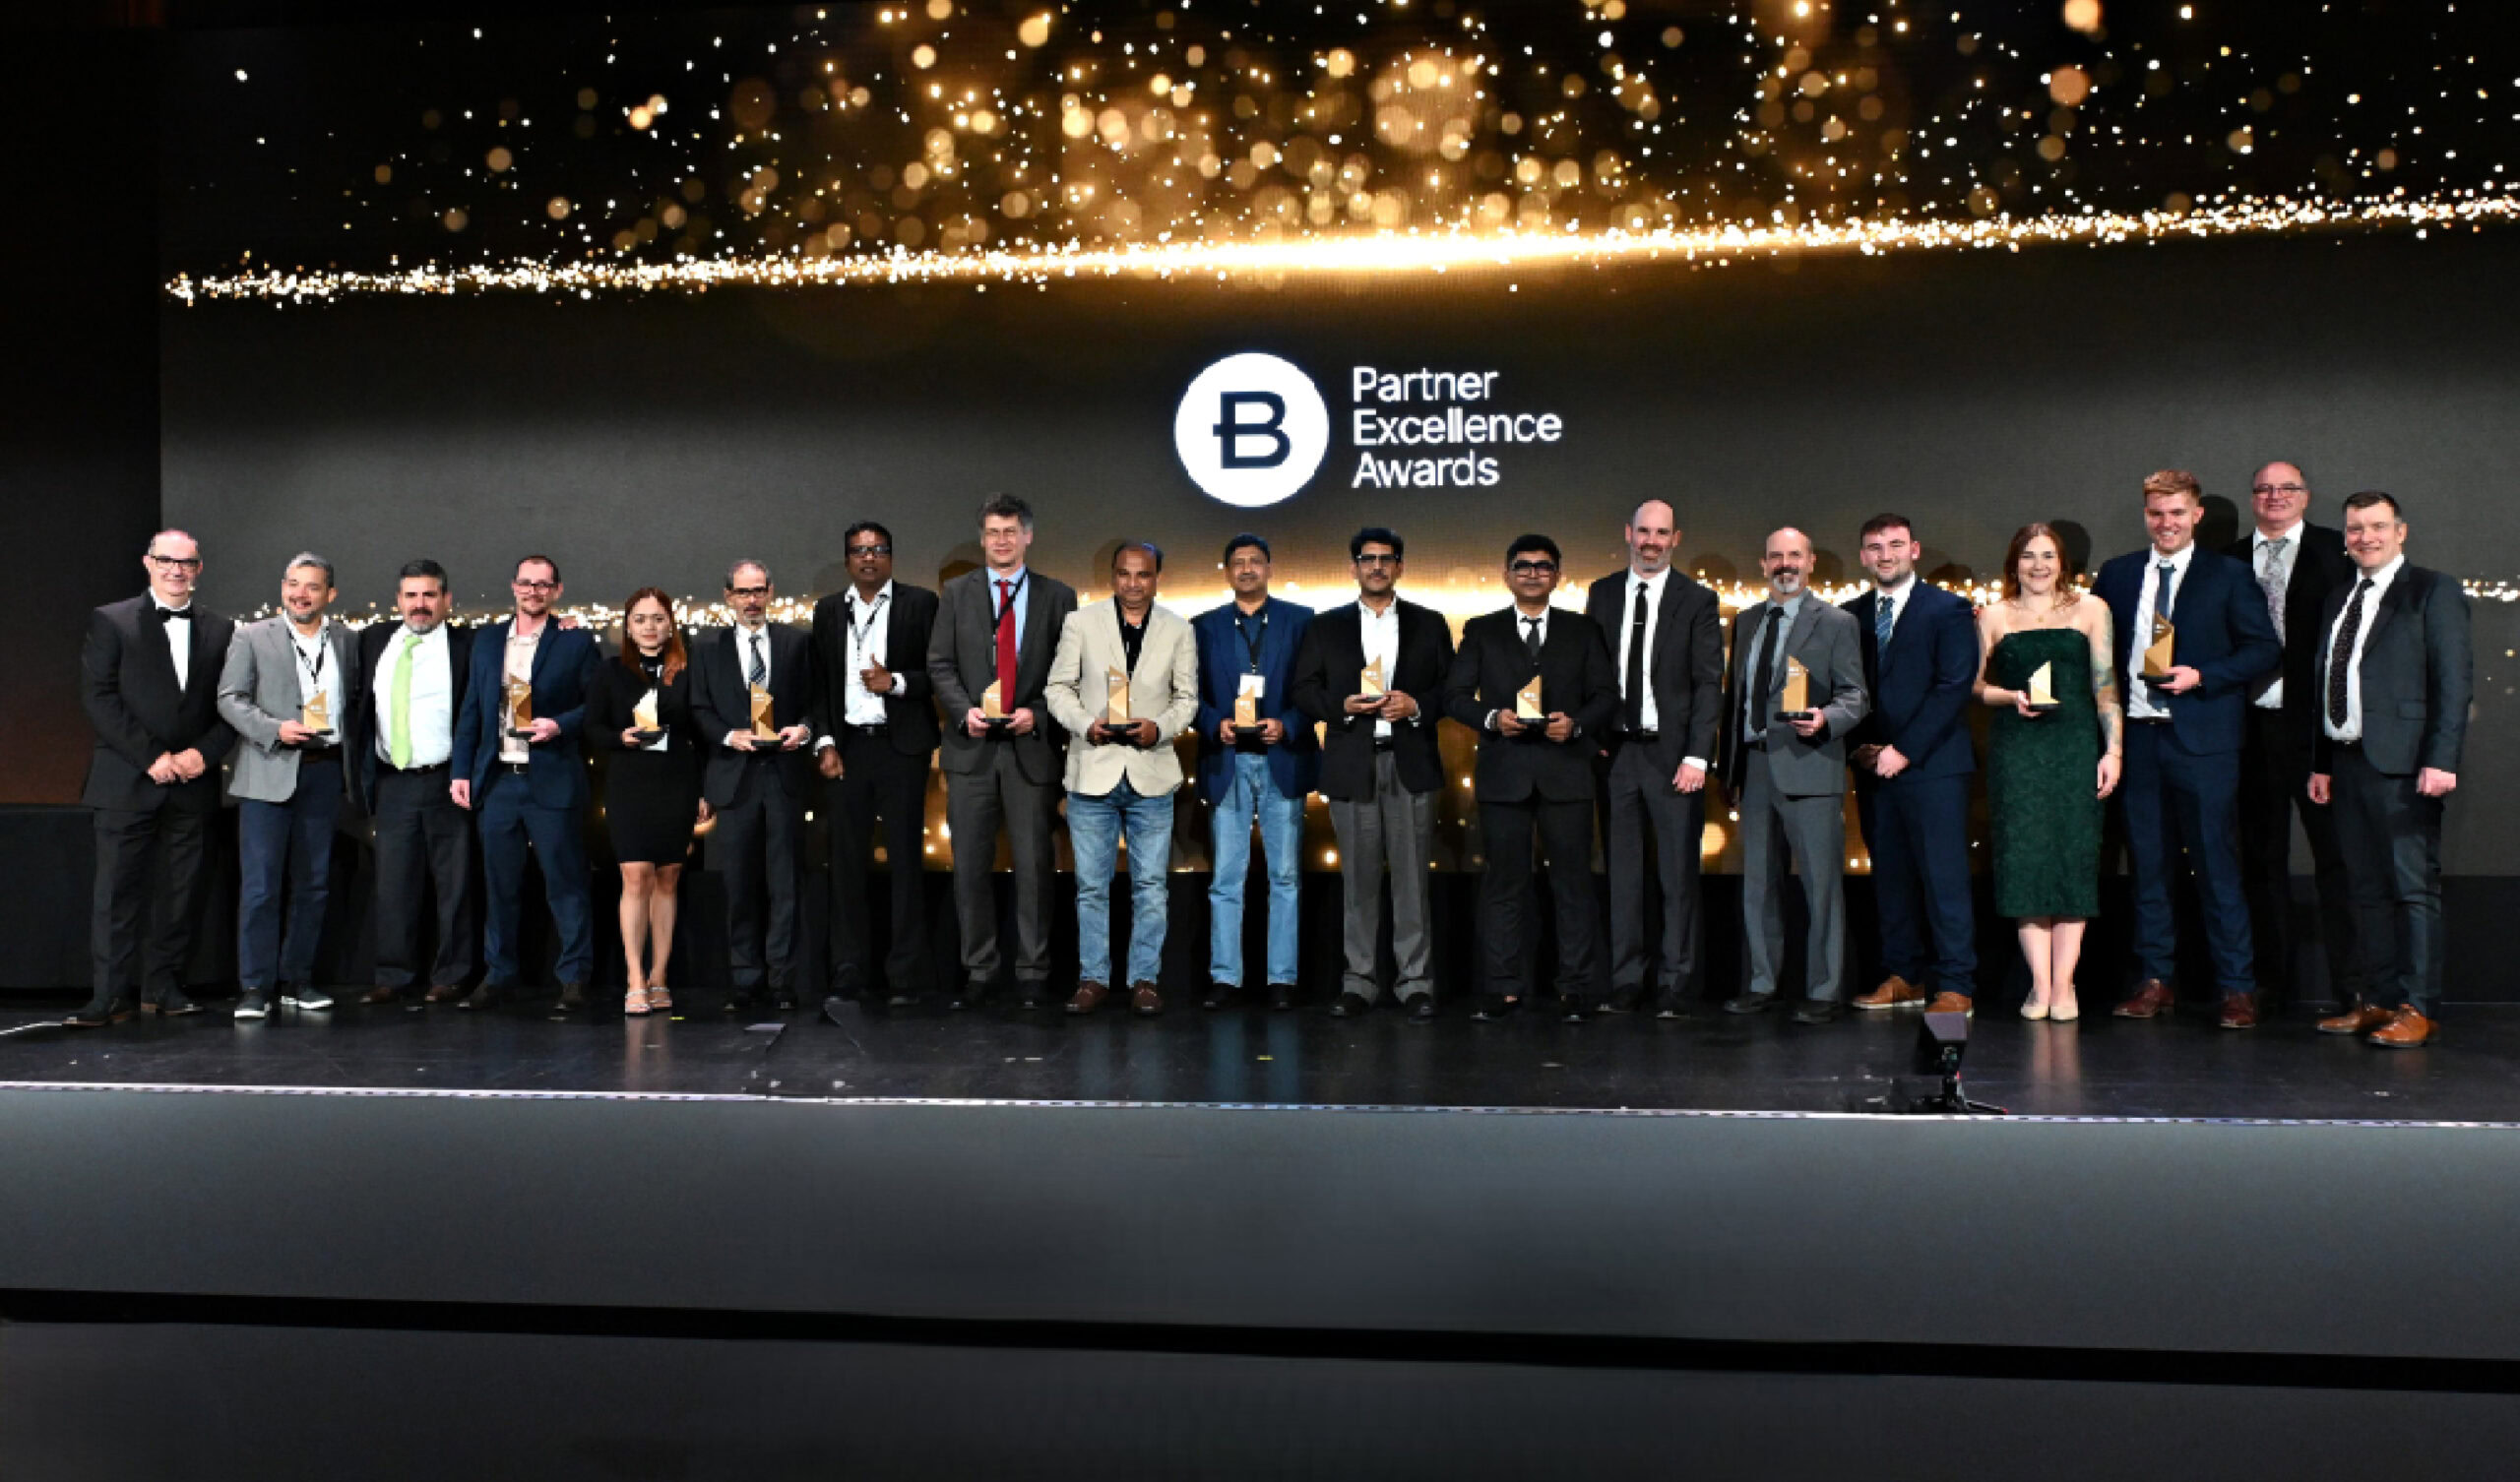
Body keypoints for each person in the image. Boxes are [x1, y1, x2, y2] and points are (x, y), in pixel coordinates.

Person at [2092, 470, 2281, 1027]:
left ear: (2196, 515)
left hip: (2204, 742)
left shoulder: (2228, 575)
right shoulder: (2119, 574)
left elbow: (2263, 649)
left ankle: (2237, 988)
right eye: (2156, 513)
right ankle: (2155, 980)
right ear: (2145, 515)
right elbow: (2092, 647)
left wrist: (2203, 675)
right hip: (2138, 741)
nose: (2166, 523)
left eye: (2176, 513)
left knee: (2216, 866)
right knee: (2148, 867)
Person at [2309, 492, 2471, 1049]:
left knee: (2412, 890)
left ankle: (2418, 1007)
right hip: (2348, 760)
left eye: (2377, 526)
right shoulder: (2339, 596)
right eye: (2355, 529)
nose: (2366, 537)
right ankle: (2377, 1001)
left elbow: (2453, 681)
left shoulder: (2432, 590)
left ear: (2401, 532)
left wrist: (2441, 758)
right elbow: (2328, 680)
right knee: (2366, 890)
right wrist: (2322, 762)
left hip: (2406, 766)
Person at [1444, 534, 1619, 1022]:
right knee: (1504, 884)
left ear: (1557, 575)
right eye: (1523, 566)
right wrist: (1491, 719)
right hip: (1505, 774)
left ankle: (1576, 988)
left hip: (1567, 773)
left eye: (1543, 566)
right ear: (1507, 575)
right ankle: (1502, 987)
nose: (1533, 573)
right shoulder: (1482, 630)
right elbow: (1455, 696)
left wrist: (1577, 725)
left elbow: (1606, 696)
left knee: (1573, 885)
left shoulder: (1583, 630)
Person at [71, 529, 236, 1028]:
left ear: (199, 568)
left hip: (192, 783)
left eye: (185, 562)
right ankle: (110, 996)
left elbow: (232, 705)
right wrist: (152, 757)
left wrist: (202, 755)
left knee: (181, 894)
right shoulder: (112, 620)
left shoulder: (223, 630)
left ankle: (163, 987)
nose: (175, 570)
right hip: (126, 782)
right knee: (116, 894)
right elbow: (99, 697)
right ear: (148, 563)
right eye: (166, 560)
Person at [1289, 527, 1455, 1021]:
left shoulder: (1429, 623)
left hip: (1410, 762)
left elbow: (1452, 689)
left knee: (1411, 881)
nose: (1377, 566)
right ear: (1354, 567)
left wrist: (1417, 705)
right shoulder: (1326, 627)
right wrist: (1339, 707)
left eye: (1386, 559)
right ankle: (1358, 981)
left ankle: (1415, 983)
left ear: (1400, 566)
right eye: (1368, 559)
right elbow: (1303, 690)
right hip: (1351, 763)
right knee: (1358, 882)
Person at [925, 494, 1078, 1010]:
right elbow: (939, 664)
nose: (1002, 540)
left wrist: (1039, 712)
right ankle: (980, 970)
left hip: (1030, 749)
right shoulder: (955, 594)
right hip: (969, 748)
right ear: (983, 538)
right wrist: (962, 710)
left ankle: (1033, 972)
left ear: (1027, 536)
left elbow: (1069, 673)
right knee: (970, 867)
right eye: (993, 532)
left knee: (1035, 868)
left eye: (1011, 531)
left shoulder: (1058, 596)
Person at [1715, 526, 1868, 1024]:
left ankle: (1824, 990)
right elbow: (1737, 700)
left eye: (1795, 556)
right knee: (1758, 884)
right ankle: (1763, 983)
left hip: (1811, 764)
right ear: (1764, 564)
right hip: (1755, 765)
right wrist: (1730, 769)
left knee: (1821, 886)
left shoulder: (1837, 622)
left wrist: (1826, 718)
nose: (1786, 564)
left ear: (1810, 562)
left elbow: (1855, 696)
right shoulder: (1747, 621)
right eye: (1776, 556)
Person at [2227, 461, 2361, 1013]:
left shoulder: (2339, 552)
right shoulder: (2228, 560)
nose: (2275, 496)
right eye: (2264, 488)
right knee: (2259, 862)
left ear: (2305, 496)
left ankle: (2353, 989)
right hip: (2249, 727)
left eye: (2287, 488)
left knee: (2338, 859)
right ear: (2252, 498)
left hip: (2319, 731)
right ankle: (2269, 984)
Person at [1044, 542, 1199, 1015]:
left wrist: (1160, 729)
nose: (1133, 583)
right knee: (1092, 887)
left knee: (1151, 887)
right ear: (1113, 576)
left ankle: (1144, 980)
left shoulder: (1178, 628)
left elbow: (1187, 699)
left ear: (1157, 578)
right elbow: (1057, 688)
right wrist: (1085, 724)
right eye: (1124, 574)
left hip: (1151, 772)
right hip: (1093, 769)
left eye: (1143, 574)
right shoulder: (1081, 622)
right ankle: (1093, 978)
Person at [1584, 499, 1724, 1018]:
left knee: (1677, 875)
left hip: (1673, 756)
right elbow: (1590, 672)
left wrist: (1697, 756)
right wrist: (1591, 738)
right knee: (1622, 875)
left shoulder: (1698, 599)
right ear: (1628, 533)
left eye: (1661, 533)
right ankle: (1626, 980)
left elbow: (1708, 684)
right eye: (1644, 531)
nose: (1651, 541)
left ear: (1675, 539)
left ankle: (1675, 984)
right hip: (1616, 753)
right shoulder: (1601, 593)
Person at [1974, 524, 2120, 1022]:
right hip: (2018, 751)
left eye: (2048, 556)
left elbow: (2105, 686)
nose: (2038, 566)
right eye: (2028, 556)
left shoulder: (2092, 609)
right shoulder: (1993, 615)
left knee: (2071, 861)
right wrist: (2010, 697)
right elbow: (1973, 685)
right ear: (2014, 563)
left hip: (2075, 746)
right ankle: (2039, 984)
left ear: (2063, 563)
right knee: (2026, 863)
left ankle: (2065, 984)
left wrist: (2113, 751)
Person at [1842, 516, 1981, 1018]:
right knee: (1891, 877)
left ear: (1914, 549)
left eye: (1895, 544)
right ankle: (1905, 976)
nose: (1886, 555)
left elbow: (1953, 686)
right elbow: (1844, 688)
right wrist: (1860, 748)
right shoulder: (1850, 615)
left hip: (1934, 767)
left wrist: (1903, 750)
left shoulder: (1948, 609)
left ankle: (1956, 984)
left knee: (1944, 879)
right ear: (1863, 555)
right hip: (1873, 768)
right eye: (1875, 547)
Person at [453, 554, 600, 1015]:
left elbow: (595, 705)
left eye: (543, 584)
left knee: (566, 883)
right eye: (526, 583)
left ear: (557, 591)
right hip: (498, 781)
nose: (533, 591)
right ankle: (499, 975)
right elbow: (472, 709)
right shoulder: (487, 641)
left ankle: (574, 977)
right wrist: (461, 771)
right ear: (513, 587)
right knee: (499, 886)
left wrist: (559, 725)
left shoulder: (576, 641)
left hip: (551, 777)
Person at [215, 552, 358, 1020]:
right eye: (294, 584)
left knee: (313, 884)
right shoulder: (251, 637)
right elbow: (229, 699)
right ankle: (255, 986)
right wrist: (274, 729)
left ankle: (298, 979)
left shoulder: (347, 641)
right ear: (283, 588)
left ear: (330, 594)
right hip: (267, 770)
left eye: (312, 586)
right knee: (261, 887)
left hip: (324, 773)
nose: (301, 594)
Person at [811, 523, 942, 1018]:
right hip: (848, 749)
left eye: (878, 550)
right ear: (847, 560)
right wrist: (825, 742)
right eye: (859, 551)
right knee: (846, 864)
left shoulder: (920, 604)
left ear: (891, 557)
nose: (868, 558)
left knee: (906, 862)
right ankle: (848, 971)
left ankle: (905, 974)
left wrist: (897, 683)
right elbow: (819, 683)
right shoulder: (828, 610)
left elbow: (940, 673)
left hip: (901, 747)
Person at [1191, 534, 1317, 1012]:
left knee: (1285, 876)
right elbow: (1188, 694)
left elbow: (1316, 689)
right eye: (1238, 563)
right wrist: (1213, 723)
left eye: (1255, 562)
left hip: (1281, 757)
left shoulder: (1301, 621)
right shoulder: (1202, 626)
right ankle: (1226, 977)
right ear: (1226, 571)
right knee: (1226, 877)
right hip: (1227, 760)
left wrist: (1288, 725)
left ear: (1269, 568)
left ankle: (1282, 978)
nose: (1246, 569)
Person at [348, 559, 477, 1008]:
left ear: (446, 600)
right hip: (393, 782)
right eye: (411, 595)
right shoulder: (373, 641)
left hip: (448, 780)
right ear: (398, 600)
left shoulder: (467, 646)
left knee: (455, 886)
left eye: (429, 595)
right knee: (394, 884)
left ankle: (452, 976)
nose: (419, 604)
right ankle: (394, 976)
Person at [691, 559, 817, 1013]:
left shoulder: (796, 643)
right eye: (743, 592)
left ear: (770, 592)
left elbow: (815, 701)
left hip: (784, 775)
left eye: (759, 591)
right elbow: (699, 709)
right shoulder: (707, 647)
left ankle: (783, 980)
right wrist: (729, 735)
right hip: (734, 776)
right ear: (728, 596)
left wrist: (804, 729)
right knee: (738, 883)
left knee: (785, 884)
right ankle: (745, 978)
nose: (751, 600)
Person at [591, 588, 708, 1017]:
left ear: (670, 624)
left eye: (658, 618)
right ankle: (634, 978)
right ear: (627, 626)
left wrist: (704, 790)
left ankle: (659, 976)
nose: (649, 627)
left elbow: (701, 732)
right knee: (635, 875)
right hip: (629, 781)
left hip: (676, 780)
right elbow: (592, 728)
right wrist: (618, 737)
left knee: (668, 877)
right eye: (640, 619)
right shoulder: (609, 671)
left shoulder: (689, 671)